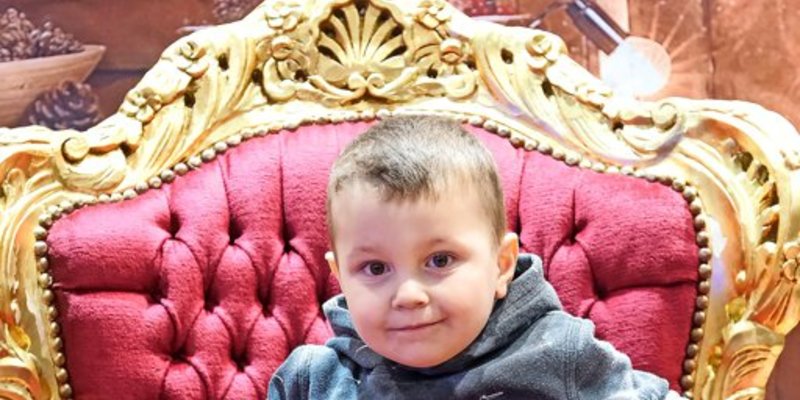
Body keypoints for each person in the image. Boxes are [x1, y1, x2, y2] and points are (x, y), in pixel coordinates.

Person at [268, 115, 681, 399]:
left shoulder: (560, 354)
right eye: (375, 268)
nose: (408, 295)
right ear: (340, 276)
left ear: (501, 265)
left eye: (440, 260)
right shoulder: (312, 380)